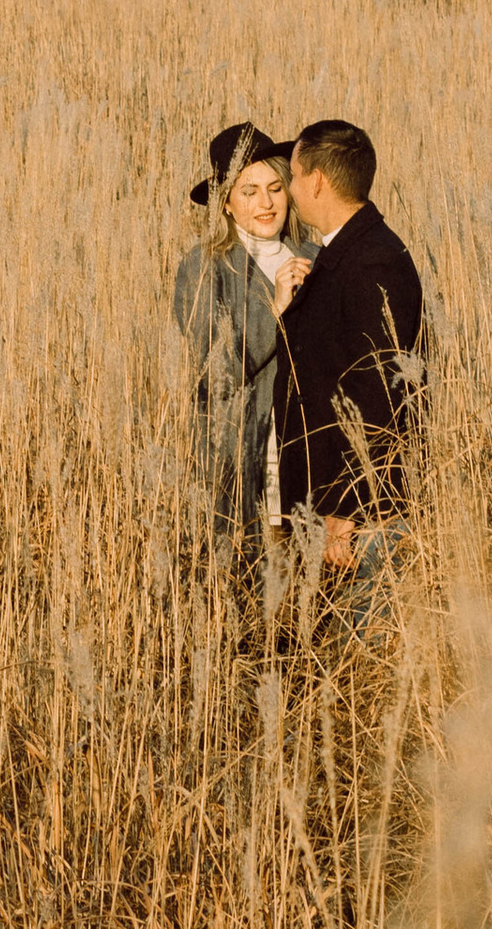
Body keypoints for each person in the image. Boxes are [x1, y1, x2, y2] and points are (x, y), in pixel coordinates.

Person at [272, 118, 427, 590]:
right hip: (336, 510)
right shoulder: (345, 251)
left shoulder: (372, 262)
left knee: (368, 646)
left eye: (294, 177)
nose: (291, 191)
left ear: (316, 180)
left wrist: (345, 508)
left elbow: (379, 395)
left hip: (365, 520)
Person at [170, 122, 311, 543]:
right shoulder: (203, 269)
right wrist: (277, 308)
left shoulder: (315, 257)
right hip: (246, 462)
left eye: (275, 188)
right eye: (249, 192)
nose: (265, 203)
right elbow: (216, 374)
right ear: (227, 204)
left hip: (310, 462)